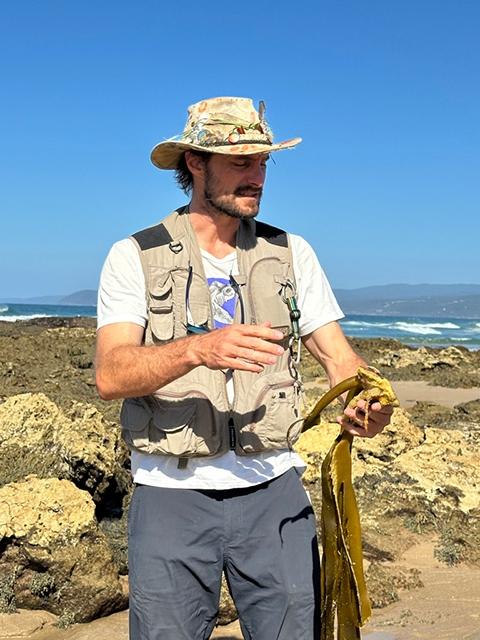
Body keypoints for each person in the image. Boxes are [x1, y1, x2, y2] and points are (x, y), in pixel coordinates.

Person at [95, 96, 393, 640]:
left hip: (275, 491)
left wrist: (366, 404)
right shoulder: (134, 255)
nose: (256, 176)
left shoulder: (291, 252)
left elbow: (340, 359)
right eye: (240, 163)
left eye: (262, 163)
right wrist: (196, 350)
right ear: (195, 164)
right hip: (170, 494)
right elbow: (111, 374)